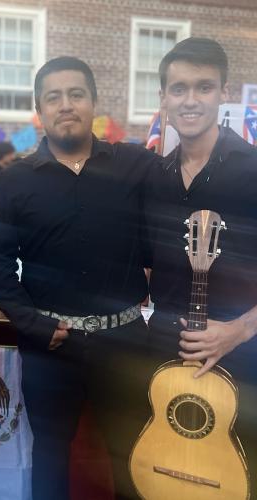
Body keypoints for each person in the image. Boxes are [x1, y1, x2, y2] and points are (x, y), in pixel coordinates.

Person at [0, 56, 156, 500]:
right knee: (52, 456)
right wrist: (33, 324)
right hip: (50, 348)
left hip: (126, 343)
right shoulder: (13, 180)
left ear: (93, 102)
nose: (66, 105)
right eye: (53, 97)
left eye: (76, 94)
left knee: (132, 452)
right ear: (40, 110)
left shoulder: (135, 166)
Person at [145, 37, 257, 494]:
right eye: (179, 88)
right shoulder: (153, 177)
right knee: (163, 474)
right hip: (161, 360)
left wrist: (241, 329)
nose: (190, 100)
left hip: (241, 361)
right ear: (164, 98)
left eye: (204, 87)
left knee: (234, 480)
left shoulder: (253, 171)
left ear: (224, 94)